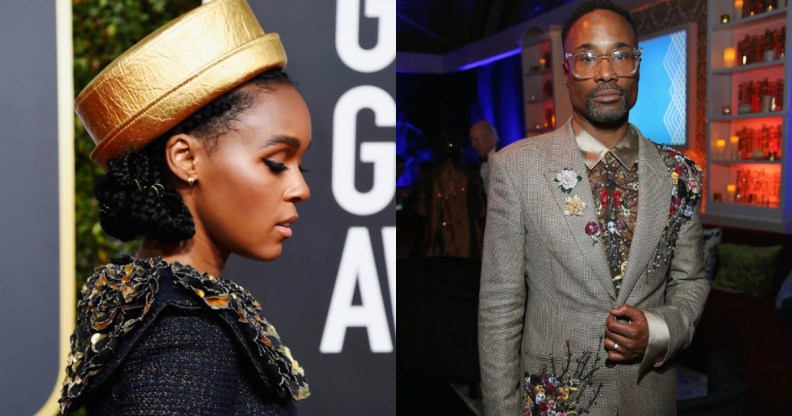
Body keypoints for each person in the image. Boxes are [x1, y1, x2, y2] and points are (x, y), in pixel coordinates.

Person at [59, 0, 311, 414]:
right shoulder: (184, 336)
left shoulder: (154, 303)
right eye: (276, 163)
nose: (301, 188)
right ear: (185, 159)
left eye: (303, 165)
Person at [477, 1, 709, 415]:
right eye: (586, 57)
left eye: (621, 55)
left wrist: (659, 329)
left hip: (648, 397)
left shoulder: (682, 174)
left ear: (638, 66)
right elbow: (500, 306)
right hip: (556, 401)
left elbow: (690, 280)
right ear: (566, 72)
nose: (605, 72)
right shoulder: (515, 168)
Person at [414, 133, 486, 259]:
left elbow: (421, 209)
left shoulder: (428, 177)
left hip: (436, 245)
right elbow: (482, 210)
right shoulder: (472, 176)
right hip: (467, 244)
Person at [469, 120, 499, 195]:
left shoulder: (505, 159)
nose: (473, 145)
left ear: (488, 138)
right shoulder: (472, 166)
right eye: (472, 140)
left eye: (476, 140)